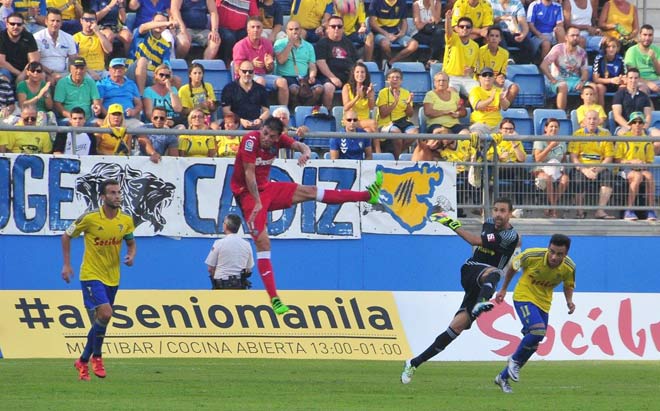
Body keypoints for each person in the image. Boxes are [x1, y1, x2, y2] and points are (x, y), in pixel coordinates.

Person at [230, 116, 383, 314]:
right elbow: (249, 174)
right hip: (247, 196)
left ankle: (367, 195)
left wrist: (306, 152)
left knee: (311, 191)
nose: (266, 138)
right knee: (263, 243)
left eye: (271, 136)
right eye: (265, 133)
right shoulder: (250, 140)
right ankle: (274, 299)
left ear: (278, 137)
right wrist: (257, 202)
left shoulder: (280, 140)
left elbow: (300, 146)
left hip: (267, 189)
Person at [401, 197, 520, 384]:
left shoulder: (510, 236)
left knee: (456, 328)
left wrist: (450, 223)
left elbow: (474, 240)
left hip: (482, 283)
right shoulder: (488, 223)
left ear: (510, 214)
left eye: (503, 211)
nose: (497, 214)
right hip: (472, 269)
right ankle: (481, 304)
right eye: (495, 209)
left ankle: (413, 363)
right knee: (495, 272)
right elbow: (476, 241)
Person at [62, 178, 136, 381]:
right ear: (103, 197)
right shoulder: (90, 218)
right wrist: (67, 265)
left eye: (118, 192)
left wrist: (131, 255)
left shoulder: (126, 220)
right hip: (91, 274)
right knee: (106, 313)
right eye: (112, 193)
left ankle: (82, 361)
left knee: (101, 320)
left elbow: (130, 243)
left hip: (113, 277)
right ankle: (98, 357)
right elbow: (66, 236)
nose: (117, 196)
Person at [493, 234, 575, 393]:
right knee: (538, 331)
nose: (554, 257)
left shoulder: (569, 267)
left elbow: (568, 285)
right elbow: (513, 267)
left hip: (543, 304)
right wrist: (503, 288)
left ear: (565, 254)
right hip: (524, 296)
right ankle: (514, 360)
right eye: (552, 251)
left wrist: (569, 301)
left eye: (559, 254)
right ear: (548, 248)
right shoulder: (531, 255)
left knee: (533, 344)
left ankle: (502, 378)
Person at [232, 16, 288, 106]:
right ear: (247, 30)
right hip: (245, 77)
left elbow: (269, 70)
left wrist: (269, 65)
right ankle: (256, 110)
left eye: (258, 27)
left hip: (262, 75)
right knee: (260, 81)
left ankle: (284, 110)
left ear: (262, 30)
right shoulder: (240, 45)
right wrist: (251, 65)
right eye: (252, 27)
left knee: (282, 82)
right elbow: (237, 70)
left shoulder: (267, 43)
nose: (255, 30)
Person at [569, 110, 615, 219]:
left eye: (594, 119)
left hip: (599, 167)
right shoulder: (578, 134)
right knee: (578, 180)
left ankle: (600, 211)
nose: (592, 121)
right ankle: (579, 212)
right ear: (584, 121)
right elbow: (573, 157)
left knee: (608, 177)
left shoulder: (605, 134)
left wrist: (597, 169)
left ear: (599, 120)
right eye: (589, 119)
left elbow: (609, 157)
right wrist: (585, 170)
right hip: (582, 167)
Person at [615, 112, 657, 221]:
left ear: (643, 125)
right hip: (625, 168)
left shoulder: (647, 140)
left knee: (649, 176)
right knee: (637, 177)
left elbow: (649, 161)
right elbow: (618, 160)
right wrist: (631, 162)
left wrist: (643, 164)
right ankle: (629, 210)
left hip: (641, 169)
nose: (637, 125)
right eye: (634, 122)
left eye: (640, 122)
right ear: (630, 124)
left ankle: (651, 209)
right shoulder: (623, 138)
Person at [273, 19, 323, 106]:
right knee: (293, 89)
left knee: (319, 89)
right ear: (286, 31)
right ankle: (295, 108)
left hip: (304, 77)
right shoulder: (279, 43)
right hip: (286, 76)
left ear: (301, 30)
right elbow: (281, 61)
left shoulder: (308, 46)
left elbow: (312, 65)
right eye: (291, 29)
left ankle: (306, 109)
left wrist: (312, 76)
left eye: (296, 29)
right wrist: (290, 44)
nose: (294, 32)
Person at [126, 11, 177, 94]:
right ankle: (141, 95)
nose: (160, 25)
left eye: (162, 23)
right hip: (132, 70)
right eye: (158, 22)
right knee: (143, 60)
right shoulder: (142, 32)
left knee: (176, 80)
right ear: (152, 22)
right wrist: (167, 22)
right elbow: (144, 26)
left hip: (151, 75)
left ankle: (166, 101)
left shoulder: (166, 45)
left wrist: (168, 73)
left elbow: (166, 64)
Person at [315, 14, 358, 110]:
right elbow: (320, 62)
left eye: (339, 26)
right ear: (327, 28)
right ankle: (327, 113)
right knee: (329, 88)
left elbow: (357, 60)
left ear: (343, 29)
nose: (336, 29)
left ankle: (353, 114)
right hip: (329, 77)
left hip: (348, 76)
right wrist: (333, 78)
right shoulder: (322, 43)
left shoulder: (348, 43)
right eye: (333, 26)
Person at [540, 25, 588, 111]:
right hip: (558, 79)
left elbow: (585, 71)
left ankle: (590, 114)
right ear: (566, 37)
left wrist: (582, 81)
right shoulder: (558, 49)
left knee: (592, 87)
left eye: (577, 35)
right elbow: (543, 65)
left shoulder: (582, 52)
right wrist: (551, 78)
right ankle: (561, 115)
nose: (575, 38)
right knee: (563, 86)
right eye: (572, 35)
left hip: (575, 80)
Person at [375, 67, 417, 160]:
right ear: (388, 80)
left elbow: (410, 114)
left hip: (402, 122)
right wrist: (395, 102)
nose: (395, 80)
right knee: (396, 133)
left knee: (415, 133)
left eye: (397, 77)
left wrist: (408, 104)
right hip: (386, 123)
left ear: (401, 80)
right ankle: (397, 159)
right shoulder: (383, 93)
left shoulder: (406, 93)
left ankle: (396, 154)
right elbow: (383, 114)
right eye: (392, 77)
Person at [205, 213, 254, 290]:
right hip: (239, 286)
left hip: (221, 285)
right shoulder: (247, 244)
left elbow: (210, 268)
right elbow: (249, 268)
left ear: (225, 225)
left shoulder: (219, 243)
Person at [532, 118, 569, 218]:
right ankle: (554, 209)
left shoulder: (562, 142)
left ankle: (550, 205)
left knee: (565, 180)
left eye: (556, 127)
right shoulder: (540, 140)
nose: (554, 129)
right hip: (541, 169)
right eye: (551, 126)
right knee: (547, 179)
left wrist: (563, 171)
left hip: (557, 169)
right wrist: (550, 146)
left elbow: (563, 159)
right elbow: (538, 159)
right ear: (545, 128)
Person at [221, 60, 270, 130]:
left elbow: (266, 111)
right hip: (235, 123)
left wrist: (260, 120)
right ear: (239, 72)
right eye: (244, 71)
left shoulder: (261, 89)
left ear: (254, 72)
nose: (247, 74)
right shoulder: (229, 88)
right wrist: (240, 120)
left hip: (255, 123)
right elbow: (226, 111)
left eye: (250, 71)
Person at [368, 0, 419, 67]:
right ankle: (387, 62)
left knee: (414, 45)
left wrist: (401, 33)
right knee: (385, 44)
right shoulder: (376, 2)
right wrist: (386, 34)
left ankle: (391, 62)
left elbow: (404, 22)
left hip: (395, 32)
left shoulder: (402, 2)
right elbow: (372, 23)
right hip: (380, 32)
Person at [34, 8, 78, 83]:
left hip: (64, 73)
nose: (55, 24)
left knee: (85, 78)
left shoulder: (68, 38)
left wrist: (74, 73)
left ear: (61, 23)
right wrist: (51, 73)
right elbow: (35, 62)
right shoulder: (37, 37)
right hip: (42, 72)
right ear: (46, 22)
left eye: (58, 21)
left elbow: (73, 59)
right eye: (52, 20)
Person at [53, 57, 102, 125]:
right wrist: (72, 117)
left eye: (81, 68)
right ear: (70, 69)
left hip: (87, 118)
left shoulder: (90, 82)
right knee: (75, 123)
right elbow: (57, 104)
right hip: (69, 118)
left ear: (85, 69)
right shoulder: (62, 83)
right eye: (76, 68)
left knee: (102, 123)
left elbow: (96, 100)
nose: (79, 71)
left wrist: (97, 107)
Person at [477, 25, 519, 103]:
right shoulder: (481, 51)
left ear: (500, 39)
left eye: (497, 36)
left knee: (515, 88)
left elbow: (503, 71)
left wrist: (501, 78)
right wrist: (495, 80)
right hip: (483, 79)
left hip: (496, 79)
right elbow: (480, 73)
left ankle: (502, 108)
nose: (494, 38)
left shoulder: (504, 53)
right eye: (491, 35)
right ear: (487, 38)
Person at [97, 57, 143, 127]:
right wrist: (109, 117)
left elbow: (139, 104)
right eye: (115, 68)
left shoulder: (131, 84)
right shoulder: (102, 84)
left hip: (128, 120)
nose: (118, 70)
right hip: (109, 120)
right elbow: (99, 104)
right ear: (109, 70)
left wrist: (133, 111)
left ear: (124, 70)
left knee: (142, 128)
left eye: (120, 68)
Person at [443, 12, 479, 98]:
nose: (464, 28)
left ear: (471, 29)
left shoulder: (475, 46)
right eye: (462, 27)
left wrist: (472, 70)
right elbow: (448, 31)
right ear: (457, 29)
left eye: (468, 27)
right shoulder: (453, 39)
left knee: (478, 93)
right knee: (452, 94)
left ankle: (468, 107)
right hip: (451, 77)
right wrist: (448, 19)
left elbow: (476, 67)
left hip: (466, 78)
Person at [422, 71, 468, 135]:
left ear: (448, 83)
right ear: (434, 83)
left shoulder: (455, 95)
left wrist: (458, 114)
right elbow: (428, 112)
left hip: (454, 125)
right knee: (441, 132)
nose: (441, 83)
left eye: (444, 80)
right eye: (439, 80)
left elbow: (464, 111)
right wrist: (444, 112)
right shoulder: (430, 95)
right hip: (436, 125)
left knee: (466, 134)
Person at [490, 0, 535, 64]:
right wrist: (501, 18)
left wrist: (523, 35)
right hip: (496, 31)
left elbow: (523, 23)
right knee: (498, 36)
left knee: (527, 43)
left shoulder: (517, 3)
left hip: (512, 32)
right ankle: (508, 59)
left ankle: (525, 66)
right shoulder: (490, 2)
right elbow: (488, 21)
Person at [72, 9, 112, 81]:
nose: (89, 23)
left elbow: (109, 50)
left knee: (115, 79)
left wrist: (97, 32)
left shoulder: (100, 36)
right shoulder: (75, 38)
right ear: (81, 21)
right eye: (86, 20)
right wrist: (90, 71)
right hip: (84, 70)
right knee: (88, 80)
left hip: (102, 70)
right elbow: (74, 59)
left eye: (92, 20)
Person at [469, 66, 510, 134]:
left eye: (490, 75)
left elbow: (505, 107)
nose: (487, 77)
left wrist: (502, 99)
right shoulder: (475, 91)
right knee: (475, 136)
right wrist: (491, 99)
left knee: (511, 135)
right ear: (480, 78)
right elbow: (477, 106)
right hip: (480, 124)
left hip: (497, 125)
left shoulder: (498, 90)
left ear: (494, 78)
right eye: (484, 75)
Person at [611, 68, 652, 135]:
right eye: (631, 78)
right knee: (623, 136)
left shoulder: (644, 96)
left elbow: (648, 116)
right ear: (626, 79)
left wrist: (643, 129)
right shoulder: (618, 95)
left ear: (639, 79)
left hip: (641, 127)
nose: (633, 80)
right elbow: (617, 116)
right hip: (624, 127)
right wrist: (630, 128)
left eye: (636, 78)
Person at [0, 13, 40, 83]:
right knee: (3, 76)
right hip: (7, 70)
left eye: (19, 24)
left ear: (23, 25)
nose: (15, 26)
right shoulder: (1, 37)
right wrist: (19, 74)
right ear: (7, 24)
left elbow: (34, 60)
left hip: (26, 70)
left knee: (42, 76)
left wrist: (23, 74)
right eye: (12, 24)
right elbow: (1, 62)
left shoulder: (28, 37)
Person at [178, 62, 219, 127]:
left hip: (206, 117)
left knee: (215, 127)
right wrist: (200, 106)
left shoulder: (208, 86)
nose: (198, 75)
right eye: (195, 73)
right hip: (192, 118)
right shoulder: (183, 89)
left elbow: (213, 108)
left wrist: (211, 105)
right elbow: (184, 111)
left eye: (200, 73)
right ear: (190, 75)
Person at [142, 63, 183, 128]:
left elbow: (178, 109)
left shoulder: (173, 89)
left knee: (181, 127)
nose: (164, 77)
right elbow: (148, 113)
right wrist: (162, 122)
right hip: (155, 122)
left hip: (171, 121)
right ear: (155, 75)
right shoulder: (148, 91)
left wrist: (170, 90)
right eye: (161, 75)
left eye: (167, 76)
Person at [623, 25, 660, 95]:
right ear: (640, 35)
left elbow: (659, 73)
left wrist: (654, 59)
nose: (647, 38)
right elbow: (632, 74)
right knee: (641, 90)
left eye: (650, 35)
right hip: (639, 81)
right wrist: (648, 83)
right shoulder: (632, 51)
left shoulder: (657, 50)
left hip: (657, 80)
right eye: (645, 35)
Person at [341, 62, 376, 132]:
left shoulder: (369, 88)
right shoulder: (346, 87)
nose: (360, 74)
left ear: (366, 75)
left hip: (365, 121)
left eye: (362, 72)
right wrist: (357, 97)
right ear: (353, 74)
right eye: (357, 72)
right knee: (373, 123)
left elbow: (371, 107)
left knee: (369, 131)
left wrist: (370, 96)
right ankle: (378, 143)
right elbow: (346, 107)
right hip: (351, 120)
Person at [591, 36, 626, 108]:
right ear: (605, 48)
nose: (611, 49)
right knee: (599, 87)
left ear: (617, 48)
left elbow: (625, 76)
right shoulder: (599, 58)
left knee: (623, 87)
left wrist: (620, 79)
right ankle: (601, 113)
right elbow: (595, 79)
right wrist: (611, 80)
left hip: (617, 84)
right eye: (608, 47)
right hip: (604, 83)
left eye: (614, 47)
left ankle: (621, 111)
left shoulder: (620, 59)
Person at [411, 0, 443, 65]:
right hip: (419, 32)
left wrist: (432, 5)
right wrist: (428, 22)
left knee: (439, 34)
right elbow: (418, 26)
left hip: (433, 32)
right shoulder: (416, 4)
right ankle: (432, 60)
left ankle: (429, 60)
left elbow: (436, 21)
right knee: (438, 40)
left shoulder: (437, 3)